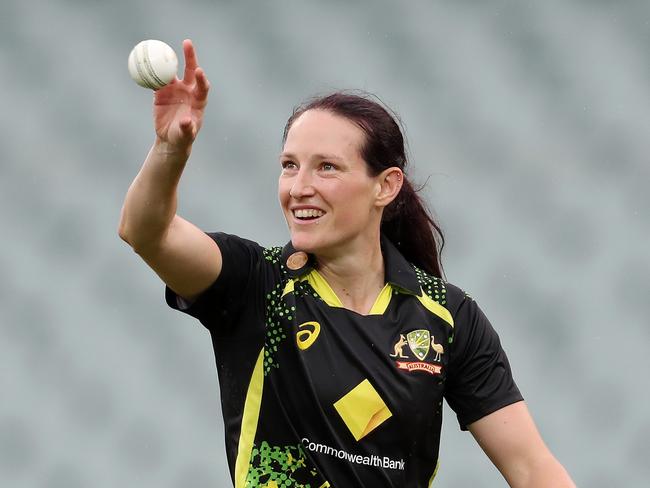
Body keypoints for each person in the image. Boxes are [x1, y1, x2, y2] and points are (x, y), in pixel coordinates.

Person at [118, 39, 575, 488]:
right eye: (289, 165)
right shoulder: (256, 284)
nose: (299, 187)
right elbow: (145, 232)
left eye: (327, 168)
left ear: (386, 186)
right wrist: (170, 149)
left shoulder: (447, 317)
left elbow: (533, 470)